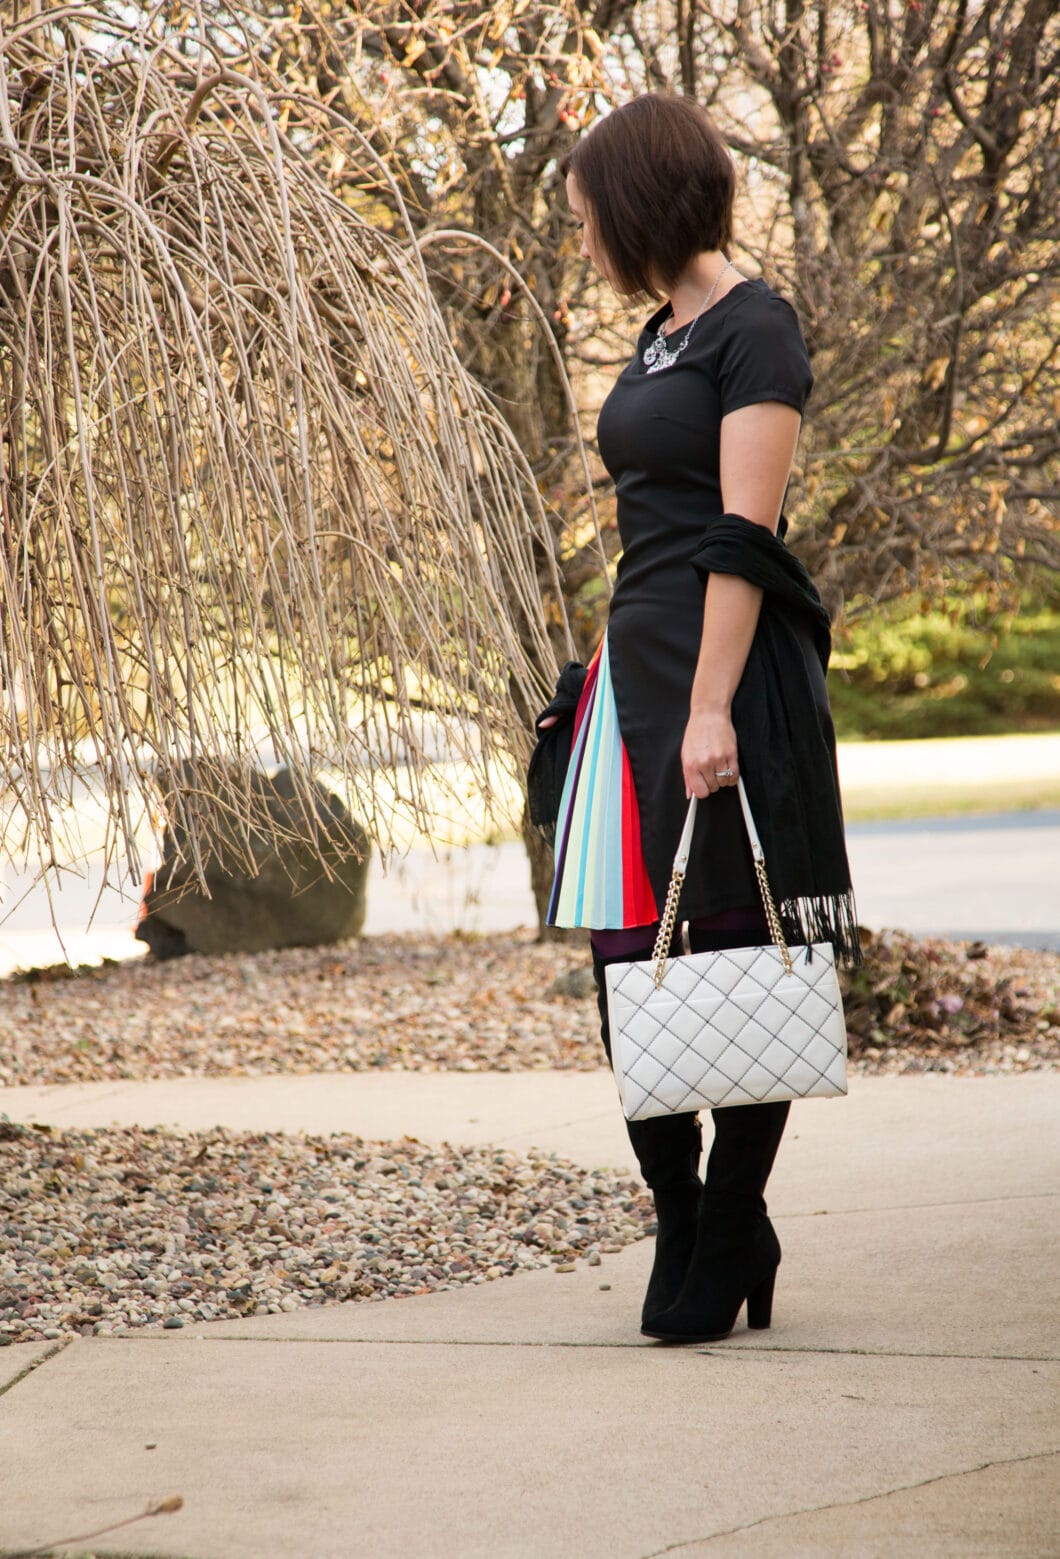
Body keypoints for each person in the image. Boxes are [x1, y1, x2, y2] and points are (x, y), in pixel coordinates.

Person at [541, 94, 859, 1344]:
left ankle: (733, 1213)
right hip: (634, 676)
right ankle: (681, 1214)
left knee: (733, 938)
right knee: (633, 960)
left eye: (585, 221)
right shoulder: (657, 336)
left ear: (636, 205)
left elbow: (741, 534)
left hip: (723, 681)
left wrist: (711, 703)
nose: (581, 243)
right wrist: (608, 670)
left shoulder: (755, 330)